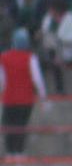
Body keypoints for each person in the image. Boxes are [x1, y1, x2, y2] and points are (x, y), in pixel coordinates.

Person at [0, 28, 45, 158]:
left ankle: (10, 151)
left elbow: (1, 80)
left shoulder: (3, 57)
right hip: (26, 99)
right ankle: (19, 152)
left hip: (9, 98)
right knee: (21, 126)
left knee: (9, 126)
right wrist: (43, 97)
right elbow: (37, 79)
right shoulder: (31, 58)